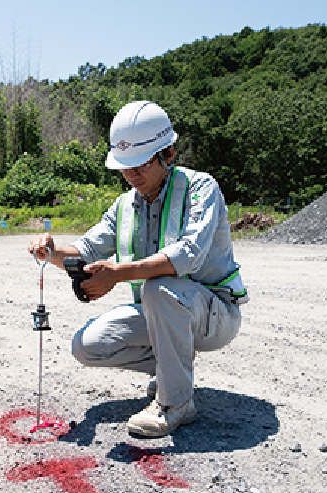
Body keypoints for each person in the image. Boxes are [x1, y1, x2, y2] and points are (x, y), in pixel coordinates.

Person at [27, 100, 247, 438]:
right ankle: (175, 369)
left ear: (168, 155)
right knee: (88, 345)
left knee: (158, 287)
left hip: (214, 314)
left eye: (140, 165)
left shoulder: (201, 189)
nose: (131, 175)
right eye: (124, 167)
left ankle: (176, 403)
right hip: (162, 311)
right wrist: (52, 252)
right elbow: (85, 250)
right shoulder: (125, 205)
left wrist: (118, 273)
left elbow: (187, 255)